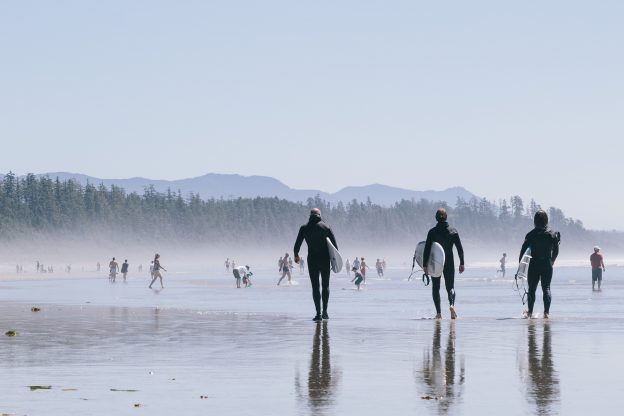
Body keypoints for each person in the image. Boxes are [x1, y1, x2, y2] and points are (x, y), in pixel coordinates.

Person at [294, 208, 338, 322]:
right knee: (325, 286)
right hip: (324, 260)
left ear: (310, 215)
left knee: (315, 287)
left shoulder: (304, 228)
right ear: (320, 215)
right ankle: (325, 312)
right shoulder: (326, 227)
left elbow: (297, 245)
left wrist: (296, 255)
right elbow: (335, 248)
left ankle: (318, 314)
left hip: (312, 260)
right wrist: (335, 262)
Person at [422, 208, 465, 319]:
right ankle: (451, 305)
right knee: (450, 287)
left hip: (436, 263)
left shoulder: (432, 232)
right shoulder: (453, 231)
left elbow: (427, 249)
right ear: (446, 217)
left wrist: (425, 265)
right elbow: (460, 249)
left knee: (436, 288)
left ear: (436, 218)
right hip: (449, 262)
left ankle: (439, 313)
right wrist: (462, 263)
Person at [519, 210, 560, 319]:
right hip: (547, 263)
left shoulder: (530, 235)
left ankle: (530, 313)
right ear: (546, 220)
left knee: (532, 289)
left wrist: (521, 267)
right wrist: (552, 261)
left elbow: (523, 252)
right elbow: (556, 250)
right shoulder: (552, 234)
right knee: (546, 288)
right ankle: (546, 313)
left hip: (534, 264)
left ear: (535, 221)